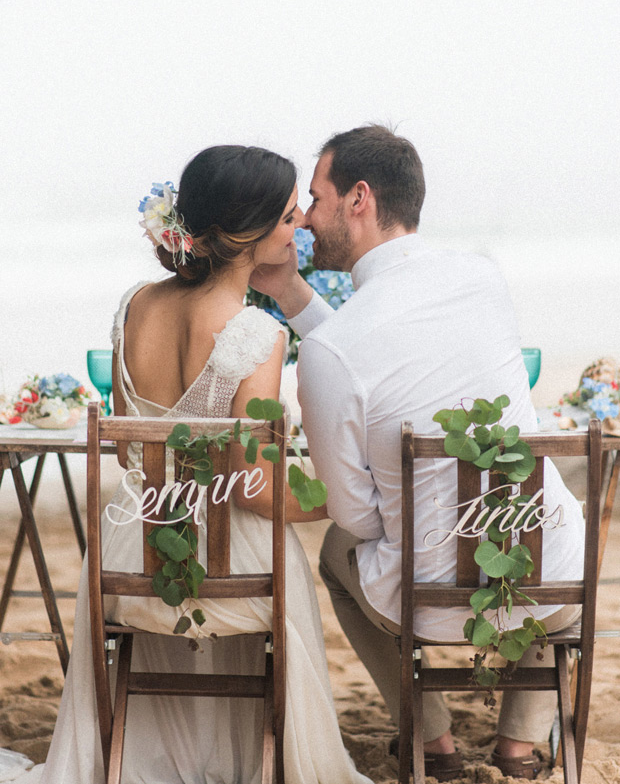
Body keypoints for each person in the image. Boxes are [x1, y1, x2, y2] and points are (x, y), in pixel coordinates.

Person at [15, 146, 372, 784]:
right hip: (229, 570)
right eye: (290, 218)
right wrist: (343, 496)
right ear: (248, 234)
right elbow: (258, 491)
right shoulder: (257, 335)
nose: (301, 229)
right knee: (285, 554)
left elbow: (129, 447)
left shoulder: (135, 306)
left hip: (130, 558)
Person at [251, 125, 585, 782]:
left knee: (337, 552)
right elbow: (383, 345)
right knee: (555, 526)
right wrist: (291, 294)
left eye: (315, 198)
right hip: (555, 580)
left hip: (425, 599)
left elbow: (357, 514)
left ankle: (432, 742)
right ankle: (519, 746)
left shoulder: (331, 351)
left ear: (359, 199)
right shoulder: (483, 279)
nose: (308, 219)